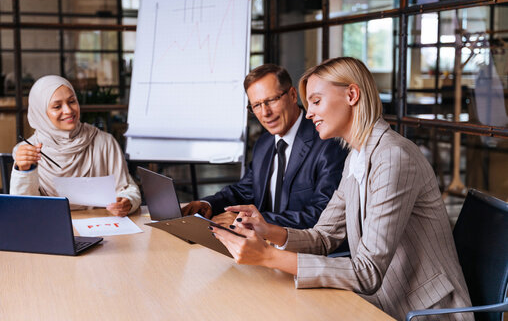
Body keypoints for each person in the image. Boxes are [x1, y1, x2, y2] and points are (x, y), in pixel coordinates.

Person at [212, 57, 472, 321]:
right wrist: (268, 231)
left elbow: (367, 272)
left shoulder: (394, 157)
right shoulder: (356, 157)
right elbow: (324, 237)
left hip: (423, 312)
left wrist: (268, 257)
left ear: (351, 94)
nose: (309, 112)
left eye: (316, 101)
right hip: (381, 300)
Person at [182, 64, 347, 229]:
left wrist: (249, 222)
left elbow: (323, 214)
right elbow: (244, 191)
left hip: (302, 247)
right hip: (263, 243)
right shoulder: (264, 143)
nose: (265, 112)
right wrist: (207, 204)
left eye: (271, 100)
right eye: (257, 105)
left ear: (292, 95)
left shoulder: (328, 141)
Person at [10, 75, 140, 216]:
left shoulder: (104, 142)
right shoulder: (26, 152)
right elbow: (24, 208)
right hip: (51, 226)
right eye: (57, 106)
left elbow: (127, 188)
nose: (68, 110)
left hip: (102, 226)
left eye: (72, 101)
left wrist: (127, 201)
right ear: (40, 112)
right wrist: (23, 170)